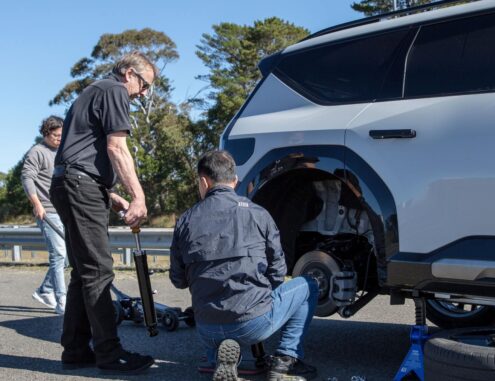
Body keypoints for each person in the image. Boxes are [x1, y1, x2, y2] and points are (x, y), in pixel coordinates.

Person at [49, 51, 156, 374]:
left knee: (85, 271)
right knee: (98, 270)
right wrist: (138, 196)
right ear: (128, 74)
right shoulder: (114, 91)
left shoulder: (94, 91)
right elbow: (116, 148)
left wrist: (110, 196)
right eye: (145, 84)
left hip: (74, 184)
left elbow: (78, 154)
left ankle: (76, 350)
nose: (144, 92)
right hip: (79, 185)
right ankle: (110, 354)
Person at [169, 150, 319, 381]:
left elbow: (178, 280)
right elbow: (278, 273)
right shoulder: (259, 214)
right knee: (308, 284)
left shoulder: (185, 220)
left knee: (211, 302)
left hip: (206, 327)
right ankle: (286, 360)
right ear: (235, 181)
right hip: (253, 324)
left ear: (203, 182)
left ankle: (217, 358)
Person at [21, 116, 68, 315]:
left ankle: (45, 290)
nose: (59, 138)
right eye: (56, 135)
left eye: (61, 135)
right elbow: (27, 178)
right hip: (47, 210)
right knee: (58, 254)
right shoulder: (36, 152)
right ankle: (61, 301)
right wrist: (37, 204)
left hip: (63, 210)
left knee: (67, 257)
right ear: (46, 133)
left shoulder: (62, 152)